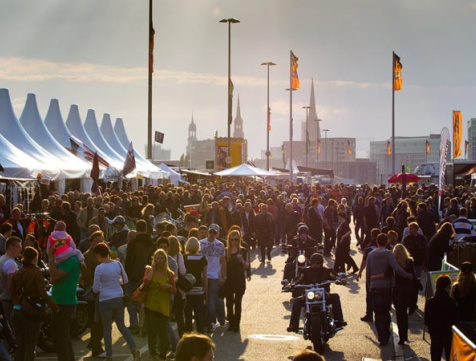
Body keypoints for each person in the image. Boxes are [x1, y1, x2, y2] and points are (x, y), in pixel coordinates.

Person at [92, 242, 141, 361]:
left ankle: (109, 355)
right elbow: (125, 280)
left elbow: (96, 289)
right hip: (118, 297)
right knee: (122, 325)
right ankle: (134, 348)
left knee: (107, 328)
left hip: (105, 299)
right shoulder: (118, 264)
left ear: (98, 254)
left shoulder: (99, 268)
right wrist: (116, 280)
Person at [11, 246, 58, 361]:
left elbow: (12, 291)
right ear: (34, 258)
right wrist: (54, 306)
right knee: (30, 346)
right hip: (30, 312)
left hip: (16, 311)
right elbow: (42, 294)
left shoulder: (17, 273)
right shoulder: (36, 272)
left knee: (19, 345)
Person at [366, 233, 412, 346]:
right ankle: (386, 334)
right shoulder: (388, 254)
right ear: (387, 242)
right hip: (386, 286)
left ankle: (381, 336)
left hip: (375, 286)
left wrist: (369, 284)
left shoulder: (371, 255)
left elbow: (368, 272)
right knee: (386, 311)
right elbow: (396, 267)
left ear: (377, 241)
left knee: (377, 312)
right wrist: (407, 275)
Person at [287, 253, 346, 332]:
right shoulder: (305, 271)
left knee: (335, 297)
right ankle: (293, 325)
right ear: (310, 262)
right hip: (309, 295)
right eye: (313, 263)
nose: (315, 265)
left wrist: (340, 280)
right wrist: (292, 284)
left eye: (317, 263)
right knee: (297, 301)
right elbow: (297, 279)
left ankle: (339, 320)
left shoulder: (327, 271)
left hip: (323, 295)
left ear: (321, 263)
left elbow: (335, 276)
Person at [47, 232, 81, 361]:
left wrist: (50, 258)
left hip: (64, 302)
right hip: (62, 301)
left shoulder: (70, 260)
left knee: (60, 338)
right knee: (64, 336)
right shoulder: (67, 260)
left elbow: (54, 277)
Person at [143, 249, 177, 361]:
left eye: (161, 258)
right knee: (152, 331)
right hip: (150, 305)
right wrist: (152, 269)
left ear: (165, 259)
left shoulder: (169, 273)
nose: (159, 260)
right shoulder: (149, 270)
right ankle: (153, 354)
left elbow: (174, 290)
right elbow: (146, 282)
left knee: (162, 331)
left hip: (163, 306)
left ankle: (162, 356)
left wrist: (168, 287)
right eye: (157, 258)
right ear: (154, 259)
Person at [124, 219, 154, 334]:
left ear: (136, 228)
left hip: (133, 276)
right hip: (147, 275)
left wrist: (127, 275)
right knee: (146, 301)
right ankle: (147, 324)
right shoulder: (152, 242)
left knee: (132, 300)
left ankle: (134, 324)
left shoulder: (133, 243)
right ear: (146, 228)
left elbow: (129, 261)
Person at [82, 230, 105, 356]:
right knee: (96, 321)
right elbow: (87, 275)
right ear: (91, 242)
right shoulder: (88, 255)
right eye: (97, 241)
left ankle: (94, 342)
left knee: (101, 321)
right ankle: (96, 347)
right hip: (94, 292)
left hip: (103, 291)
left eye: (101, 240)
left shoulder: (105, 253)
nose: (99, 243)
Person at [424, 275, 458, 361]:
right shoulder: (451, 302)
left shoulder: (429, 302)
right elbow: (455, 320)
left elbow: (426, 321)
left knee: (435, 357)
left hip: (435, 334)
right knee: (449, 357)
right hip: (447, 334)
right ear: (447, 287)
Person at [200, 224, 226, 333]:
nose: (212, 234)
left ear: (217, 233)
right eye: (210, 232)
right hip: (202, 275)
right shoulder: (201, 243)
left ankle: (210, 323)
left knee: (211, 301)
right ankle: (203, 322)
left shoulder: (220, 245)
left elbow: (223, 261)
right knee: (202, 300)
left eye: (214, 233)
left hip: (214, 276)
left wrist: (222, 276)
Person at [223, 229, 249, 333]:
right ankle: (231, 322)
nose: (234, 241)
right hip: (229, 279)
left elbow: (247, 265)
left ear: (239, 240)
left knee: (238, 302)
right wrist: (222, 277)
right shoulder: (226, 251)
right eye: (232, 239)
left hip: (239, 279)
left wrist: (241, 260)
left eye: (236, 239)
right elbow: (223, 265)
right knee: (229, 303)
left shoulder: (243, 250)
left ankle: (236, 324)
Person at [391, 244, 415, 345]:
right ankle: (405, 335)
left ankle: (402, 336)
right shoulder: (409, 262)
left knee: (399, 315)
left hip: (397, 291)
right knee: (405, 314)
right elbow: (413, 276)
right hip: (408, 290)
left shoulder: (394, 263)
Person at [184, 237, 208, 334]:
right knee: (199, 315)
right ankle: (201, 335)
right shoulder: (202, 259)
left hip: (187, 289)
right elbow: (205, 276)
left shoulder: (184, 258)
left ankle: (188, 336)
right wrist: (206, 290)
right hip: (199, 289)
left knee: (188, 315)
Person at [451, 261, 476, 342]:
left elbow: (452, 303)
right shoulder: (474, 286)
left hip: (459, 318)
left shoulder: (455, 287)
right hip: (472, 319)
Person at [0, 236, 22, 322]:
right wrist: (15, 301)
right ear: (11, 247)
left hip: (2, 297)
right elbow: (10, 286)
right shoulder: (11, 264)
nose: (21, 249)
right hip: (8, 300)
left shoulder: (2, 259)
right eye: (19, 246)